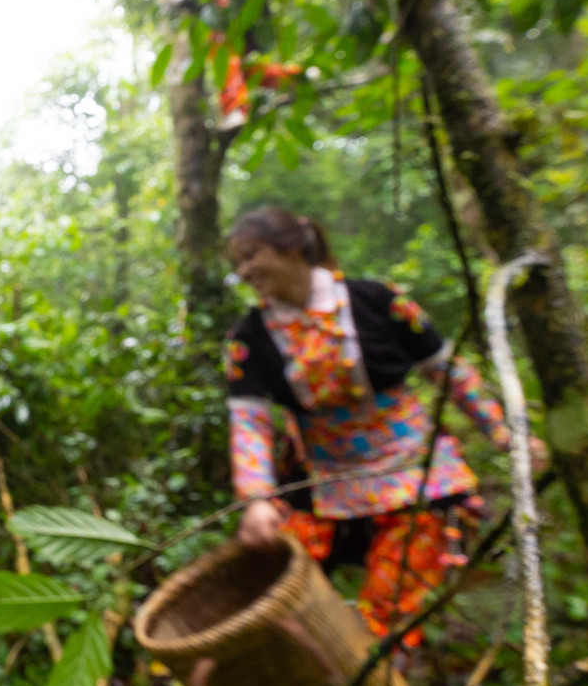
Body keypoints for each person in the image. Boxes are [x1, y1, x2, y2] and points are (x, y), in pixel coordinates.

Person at [222, 206, 543, 644]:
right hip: (323, 479)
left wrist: (506, 436)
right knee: (272, 586)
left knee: (391, 606)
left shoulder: (378, 300)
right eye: (238, 262)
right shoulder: (249, 338)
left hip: (413, 473)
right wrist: (257, 499)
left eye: (252, 255)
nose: (245, 270)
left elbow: (447, 373)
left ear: (291, 247)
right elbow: (250, 424)